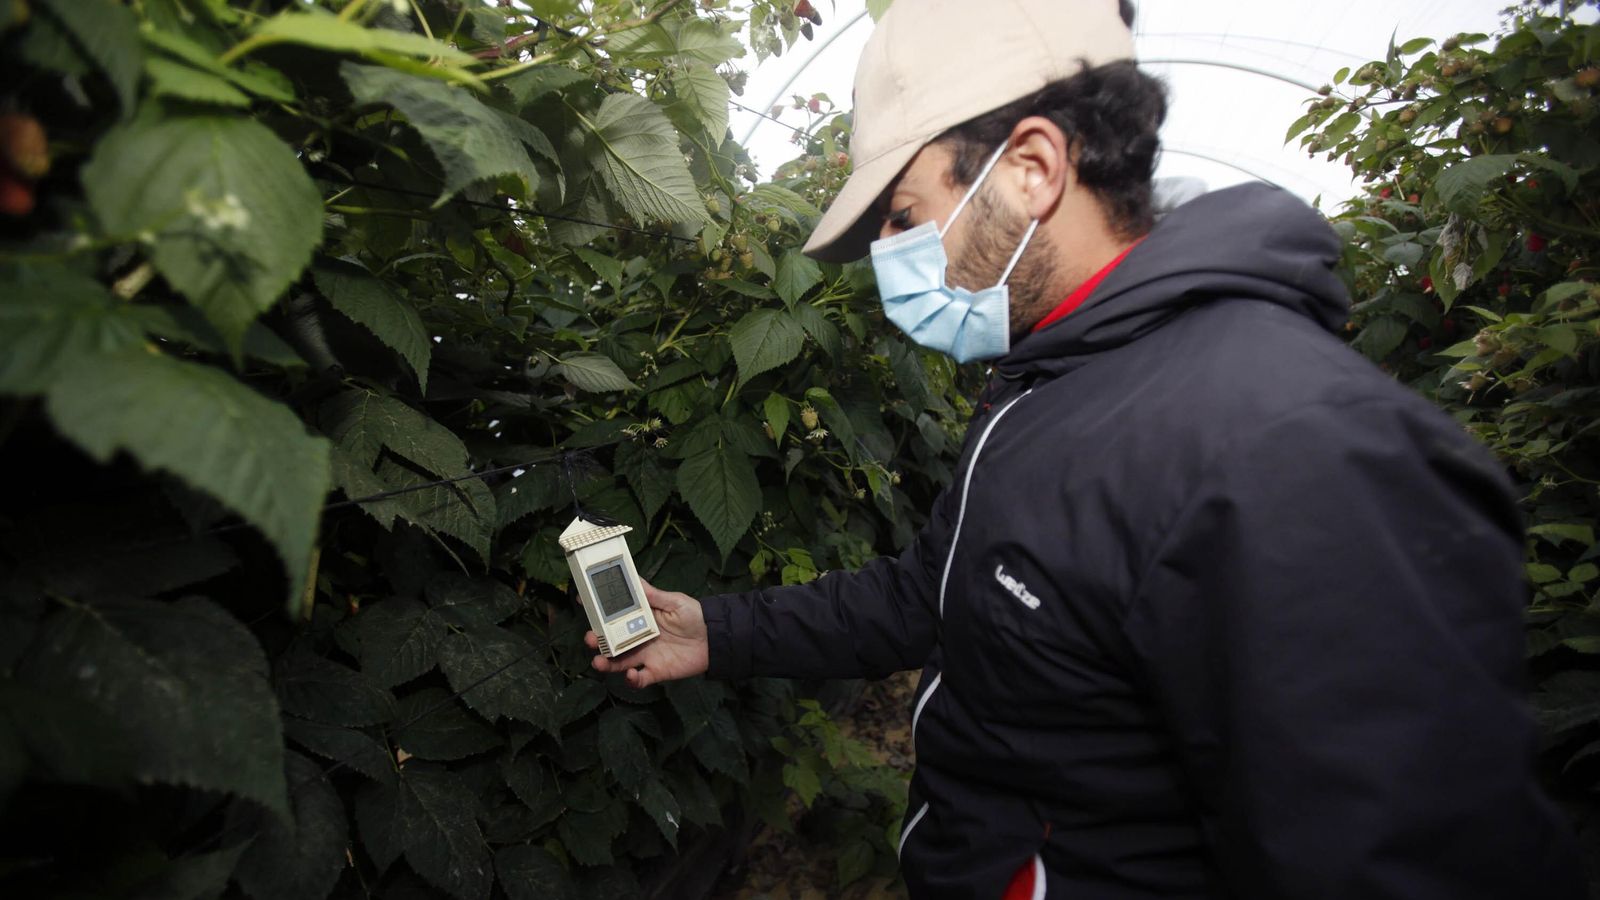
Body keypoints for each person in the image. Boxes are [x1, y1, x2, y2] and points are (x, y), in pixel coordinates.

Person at [588, 0, 1586, 896]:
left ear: (1029, 171)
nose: (893, 258)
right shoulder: (1054, 383)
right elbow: (931, 595)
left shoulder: (1289, 449)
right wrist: (717, 633)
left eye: (904, 215)